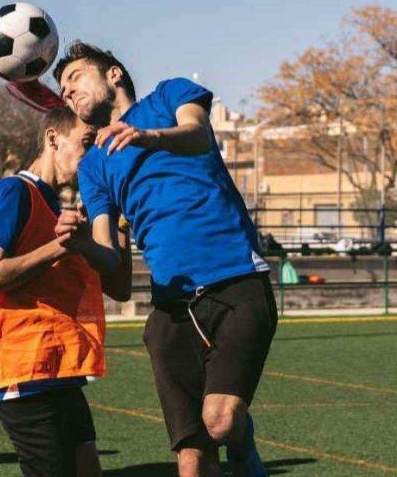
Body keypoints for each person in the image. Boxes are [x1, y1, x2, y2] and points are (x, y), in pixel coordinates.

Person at [54, 42, 277, 477]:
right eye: (63, 91)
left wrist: (147, 136)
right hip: (172, 307)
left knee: (222, 421)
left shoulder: (169, 96)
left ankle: (244, 446)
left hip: (236, 278)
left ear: (113, 74)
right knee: (192, 460)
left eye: (75, 78)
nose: (69, 93)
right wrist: (81, 244)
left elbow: (197, 135)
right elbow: (109, 258)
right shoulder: (93, 166)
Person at [0, 106, 130, 477]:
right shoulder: (16, 192)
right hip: (24, 373)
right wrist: (61, 246)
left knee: (88, 468)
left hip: (60, 371)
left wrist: (116, 221)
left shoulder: (63, 210)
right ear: (53, 137)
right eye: (86, 142)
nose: (91, 155)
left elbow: (120, 287)